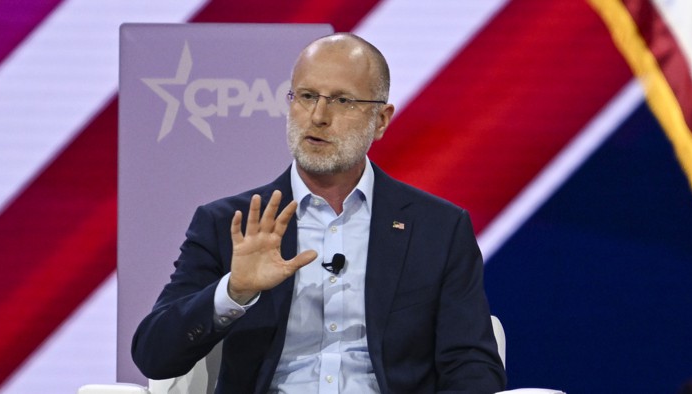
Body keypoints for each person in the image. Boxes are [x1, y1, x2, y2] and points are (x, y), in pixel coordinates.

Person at [132, 33, 507, 393]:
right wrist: (234, 292)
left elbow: (473, 365)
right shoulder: (232, 224)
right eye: (307, 96)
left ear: (381, 120)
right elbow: (153, 355)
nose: (318, 116)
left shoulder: (437, 228)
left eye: (343, 101)